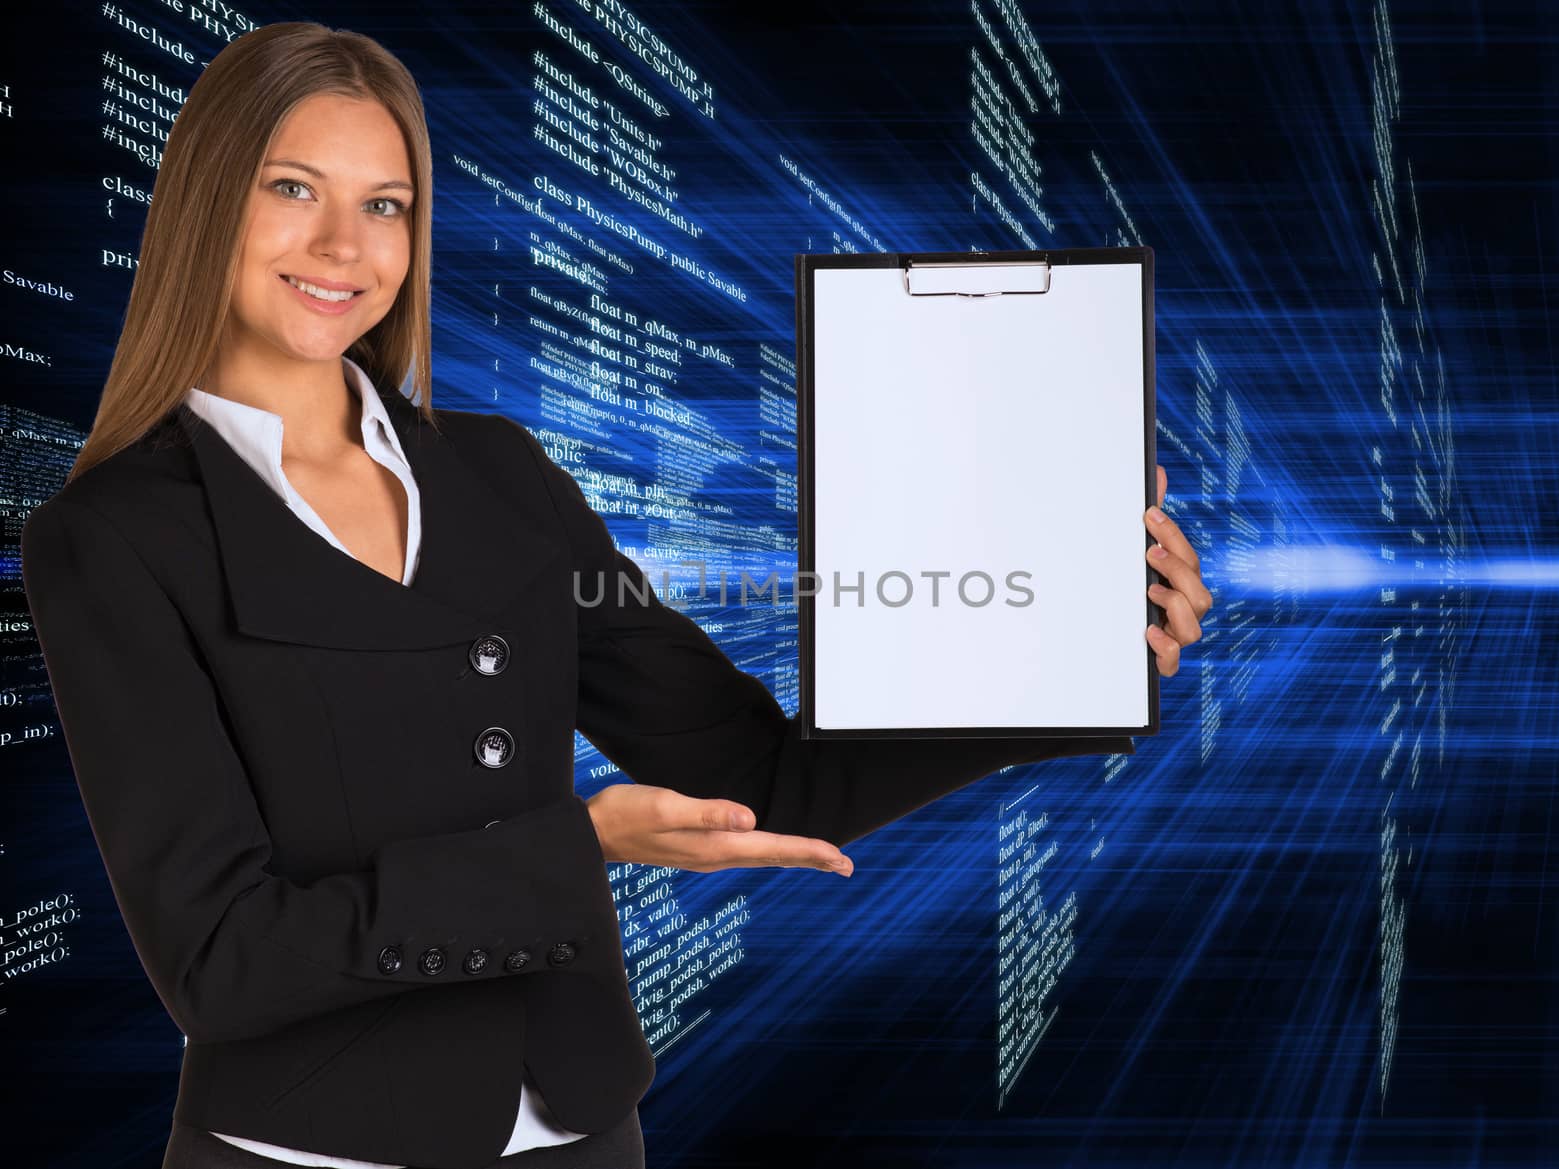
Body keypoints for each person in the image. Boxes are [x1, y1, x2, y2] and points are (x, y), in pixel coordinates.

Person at [19, 21, 1210, 1169]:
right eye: (292, 188)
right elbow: (221, 958)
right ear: (203, 203)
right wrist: (573, 847)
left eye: (385, 204)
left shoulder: (500, 476)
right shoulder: (116, 537)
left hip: (582, 1132)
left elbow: (763, 775)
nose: (344, 244)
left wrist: (1069, 652)